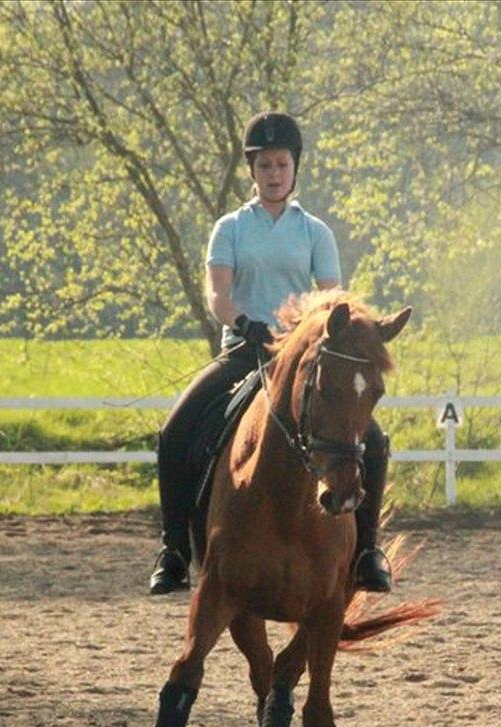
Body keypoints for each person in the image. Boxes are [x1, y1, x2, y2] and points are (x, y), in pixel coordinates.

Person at [149, 111, 392, 596]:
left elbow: (332, 301)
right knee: (174, 432)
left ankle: (366, 551)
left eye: (281, 164)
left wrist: (308, 333)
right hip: (243, 351)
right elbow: (217, 295)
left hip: (300, 358)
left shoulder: (315, 232)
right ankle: (174, 549)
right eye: (265, 166)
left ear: (294, 168)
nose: (274, 174)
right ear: (252, 171)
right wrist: (243, 323)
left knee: (376, 440)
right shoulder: (230, 228)